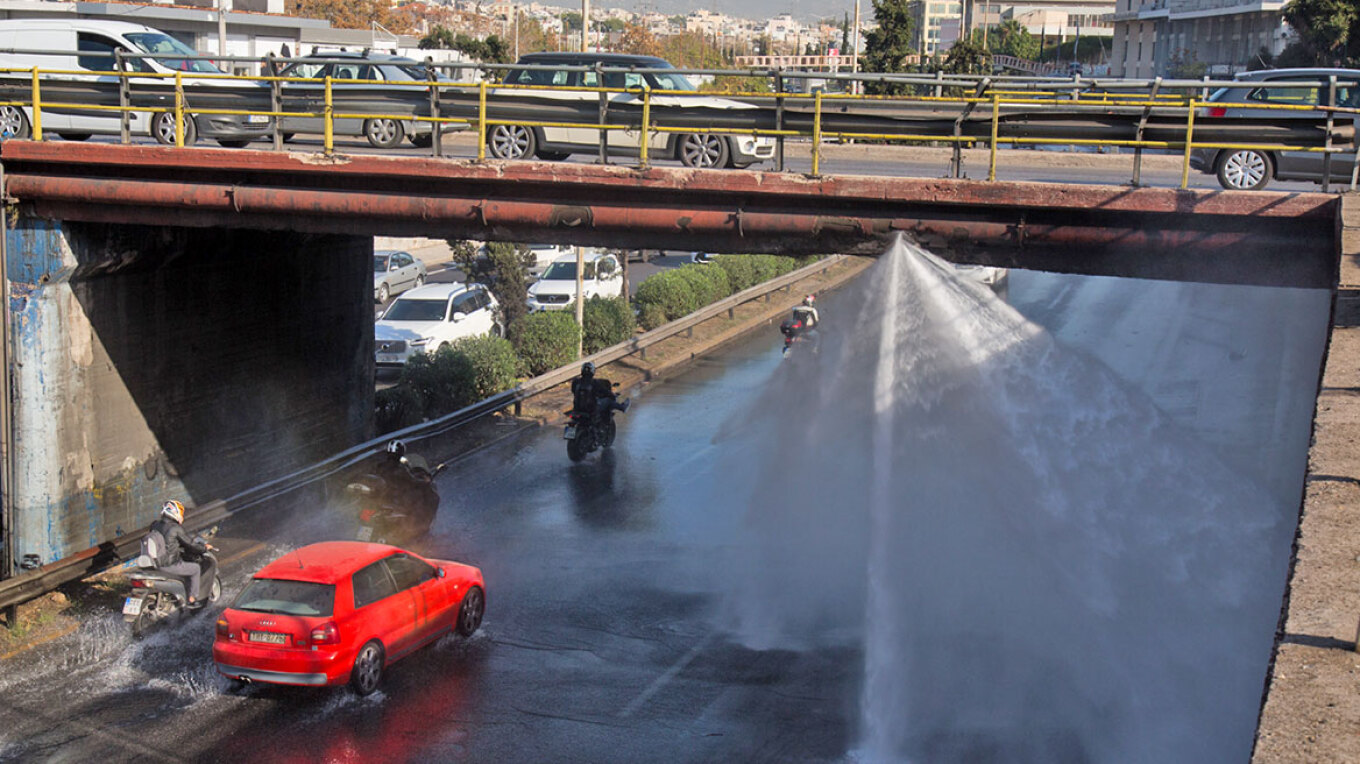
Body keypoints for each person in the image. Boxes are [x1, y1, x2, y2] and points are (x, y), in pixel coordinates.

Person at [149, 500, 212, 609]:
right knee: (195, 568)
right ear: (175, 512)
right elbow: (190, 544)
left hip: (153, 563)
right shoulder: (175, 528)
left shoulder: (155, 525)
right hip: (168, 565)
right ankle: (192, 599)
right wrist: (204, 548)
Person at [374, 439, 438, 531]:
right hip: (397, 498)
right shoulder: (400, 469)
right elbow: (413, 481)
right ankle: (417, 528)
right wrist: (425, 482)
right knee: (419, 501)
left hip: (385, 497)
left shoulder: (379, 466)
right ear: (401, 453)